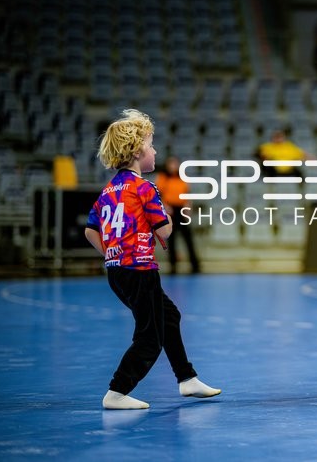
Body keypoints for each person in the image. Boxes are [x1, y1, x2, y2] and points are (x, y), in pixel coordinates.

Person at [84, 109, 220, 409]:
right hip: (141, 269)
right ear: (136, 152)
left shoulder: (108, 190)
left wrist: (111, 253)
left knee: (168, 316)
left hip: (117, 270)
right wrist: (166, 217)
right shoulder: (146, 188)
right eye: (151, 145)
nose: (155, 150)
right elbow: (166, 232)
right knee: (149, 338)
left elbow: (90, 231)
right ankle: (117, 392)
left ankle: (187, 378)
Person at [156, 156, 201, 274]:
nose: (173, 166)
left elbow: (187, 194)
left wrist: (188, 207)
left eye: (175, 164)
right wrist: (164, 207)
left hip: (181, 210)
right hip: (169, 211)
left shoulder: (182, 178)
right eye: (171, 164)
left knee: (188, 238)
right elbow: (158, 195)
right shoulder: (163, 178)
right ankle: (173, 266)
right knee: (172, 240)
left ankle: (195, 265)